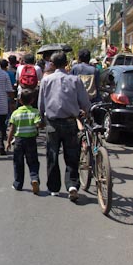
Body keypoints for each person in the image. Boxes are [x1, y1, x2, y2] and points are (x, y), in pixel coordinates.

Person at [38, 52, 90, 202]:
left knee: (52, 154)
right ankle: (72, 185)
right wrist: (85, 112)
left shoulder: (46, 80)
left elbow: (41, 104)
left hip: (52, 122)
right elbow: (85, 102)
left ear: (52, 64)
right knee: (72, 154)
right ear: (66, 63)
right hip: (70, 122)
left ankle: (54, 188)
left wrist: (41, 119)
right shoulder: (75, 80)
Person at [6, 88, 42, 194]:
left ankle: (18, 183)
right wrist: (40, 124)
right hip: (31, 140)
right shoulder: (35, 112)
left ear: (20, 101)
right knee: (33, 162)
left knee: (18, 162)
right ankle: (34, 178)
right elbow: (38, 124)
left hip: (19, 140)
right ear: (32, 100)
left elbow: (12, 129)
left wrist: (8, 141)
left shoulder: (16, 113)